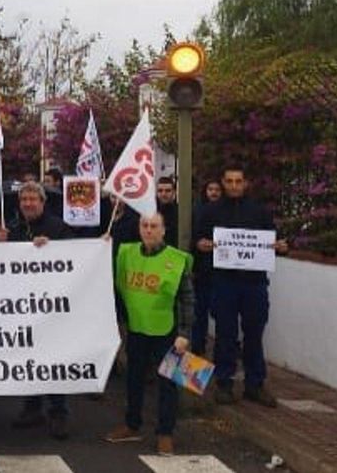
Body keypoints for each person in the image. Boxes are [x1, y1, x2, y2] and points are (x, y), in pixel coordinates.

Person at [194, 165, 289, 407]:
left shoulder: (260, 212)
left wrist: (280, 247)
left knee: (254, 334)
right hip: (224, 282)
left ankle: (254, 384)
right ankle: (224, 383)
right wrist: (202, 244)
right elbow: (198, 240)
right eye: (229, 181)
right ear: (223, 183)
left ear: (245, 183)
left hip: (254, 283)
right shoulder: (210, 212)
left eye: (238, 181)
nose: (234, 185)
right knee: (225, 334)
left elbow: (272, 243)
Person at [105, 212, 194, 456]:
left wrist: (185, 333)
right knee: (133, 379)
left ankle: (165, 433)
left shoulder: (176, 260)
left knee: (169, 384)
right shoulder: (127, 253)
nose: (149, 230)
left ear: (164, 230)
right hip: (137, 329)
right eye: (144, 225)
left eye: (154, 226)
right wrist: (102, 244)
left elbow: (187, 299)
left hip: (169, 331)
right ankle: (132, 424)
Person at [8, 181, 74, 439]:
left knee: (52, 359)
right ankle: (32, 407)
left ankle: (59, 412)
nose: (27, 203)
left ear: (42, 202)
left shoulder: (58, 227)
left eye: (32, 199)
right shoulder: (14, 229)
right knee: (29, 359)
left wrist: (54, 247)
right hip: (22, 306)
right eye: (24, 199)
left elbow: (75, 255)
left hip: (50, 307)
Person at [190, 179, 221, 355]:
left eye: (217, 189)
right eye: (210, 188)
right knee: (198, 315)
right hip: (202, 270)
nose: (214, 193)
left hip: (223, 273)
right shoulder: (197, 210)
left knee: (222, 317)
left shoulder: (228, 212)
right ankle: (197, 350)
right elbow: (191, 235)